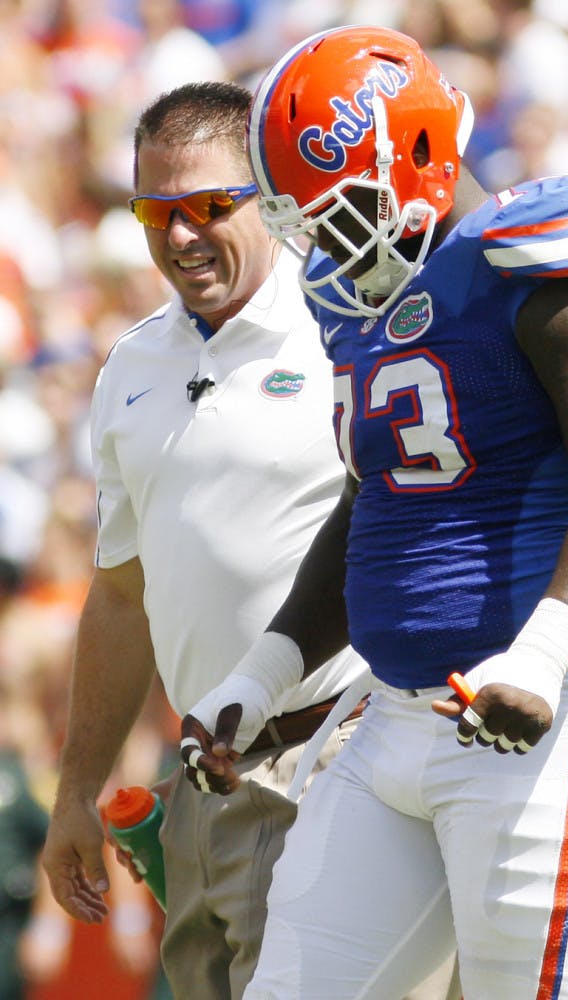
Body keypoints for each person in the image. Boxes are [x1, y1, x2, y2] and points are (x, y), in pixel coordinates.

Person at [181, 26, 568, 1000]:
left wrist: (538, 654)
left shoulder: (535, 254)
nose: (322, 241)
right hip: (396, 715)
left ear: (414, 153)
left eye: (337, 210)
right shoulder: (350, 295)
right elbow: (380, 496)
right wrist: (264, 673)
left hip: (553, 712)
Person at [40, 80, 385, 1000]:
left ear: (267, 197)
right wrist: (77, 791)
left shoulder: (348, 329)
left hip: (337, 762)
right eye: (158, 211)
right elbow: (120, 593)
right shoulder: (131, 364)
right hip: (204, 783)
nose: (182, 235)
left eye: (209, 206)